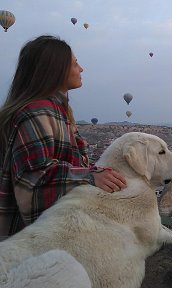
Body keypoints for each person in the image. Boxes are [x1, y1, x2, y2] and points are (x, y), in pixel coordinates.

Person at [0, 35, 127, 240]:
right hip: (27, 242)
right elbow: (33, 179)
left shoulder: (56, 111)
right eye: (75, 64)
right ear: (55, 69)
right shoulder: (37, 113)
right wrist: (89, 176)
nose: (82, 69)